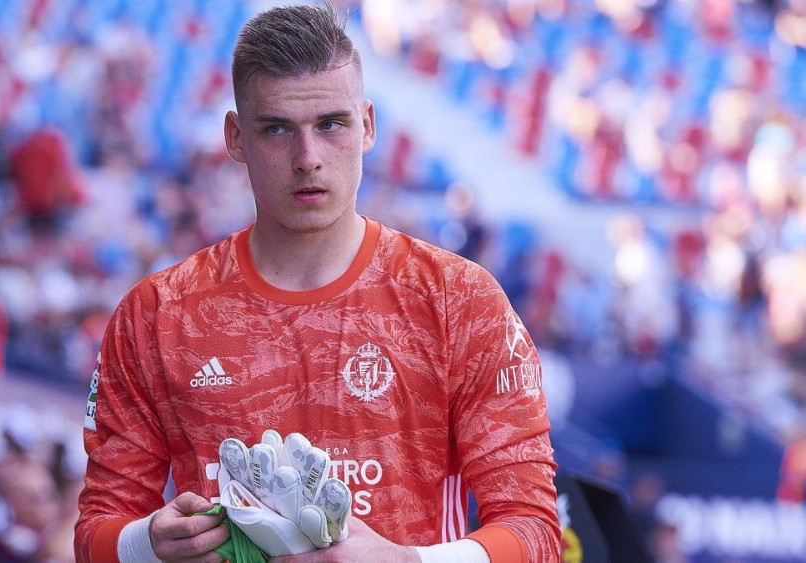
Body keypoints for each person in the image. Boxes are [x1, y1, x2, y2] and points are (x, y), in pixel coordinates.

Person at [75, 3, 559, 562]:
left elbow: (536, 534)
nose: (308, 159)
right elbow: (96, 533)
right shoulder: (157, 314)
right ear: (235, 137)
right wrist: (148, 546)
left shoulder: (459, 300)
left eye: (331, 124)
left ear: (367, 125)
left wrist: (408, 561)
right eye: (277, 129)